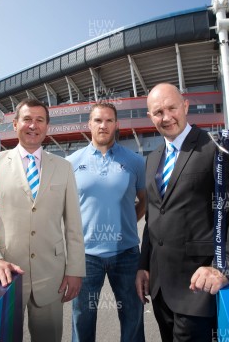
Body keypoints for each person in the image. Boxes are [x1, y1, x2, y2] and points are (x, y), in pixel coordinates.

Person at [135, 83, 229, 342]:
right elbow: (153, 220)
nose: (166, 117)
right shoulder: (152, 158)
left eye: (172, 108)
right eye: (158, 112)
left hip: (197, 289)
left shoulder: (216, 149)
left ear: (186, 106)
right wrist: (144, 267)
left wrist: (224, 269)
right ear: (150, 117)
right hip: (160, 290)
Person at [0, 98, 85, 342]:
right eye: (27, 119)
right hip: (3, 277)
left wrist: (75, 270)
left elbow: (73, 226)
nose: (33, 125)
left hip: (52, 277)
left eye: (40, 120)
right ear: (15, 124)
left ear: (47, 126)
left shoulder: (64, 167)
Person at [67, 102, 146, 342]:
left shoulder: (135, 161)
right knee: (82, 320)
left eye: (109, 120)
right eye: (98, 120)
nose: (103, 125)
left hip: (127, 254)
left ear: (116, 124)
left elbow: (144, 200)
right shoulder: (70, 162)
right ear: (89, 124)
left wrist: (128, 221)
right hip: (86, 256)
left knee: (133, 318)